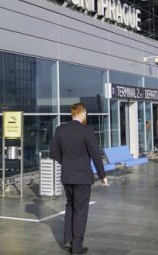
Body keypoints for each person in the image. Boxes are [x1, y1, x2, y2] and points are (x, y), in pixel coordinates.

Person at [51, 103, 108, 254]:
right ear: (82, 114)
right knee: (80, 210)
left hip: (67, 175)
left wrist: (66, 163)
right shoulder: (86, 130)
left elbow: (53, 152)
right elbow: (95, 154)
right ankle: (76, 246)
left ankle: (68, 238)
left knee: (70, 205)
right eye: (85, 114)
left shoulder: (60, 129)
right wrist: (102, 175)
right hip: (82, 177)